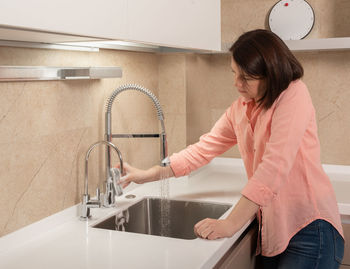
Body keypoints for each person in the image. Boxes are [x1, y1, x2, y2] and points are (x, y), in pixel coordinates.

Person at [118, 29, 345, 268]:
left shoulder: (293, 94)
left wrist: (230, 224)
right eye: (234, 74)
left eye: (245, 78)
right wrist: (147, 175)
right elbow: (203, 149)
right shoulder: (241, 108)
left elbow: (273, 168)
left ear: (271, 73)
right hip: (275, 232)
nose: (236, 84)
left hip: (311, 230)